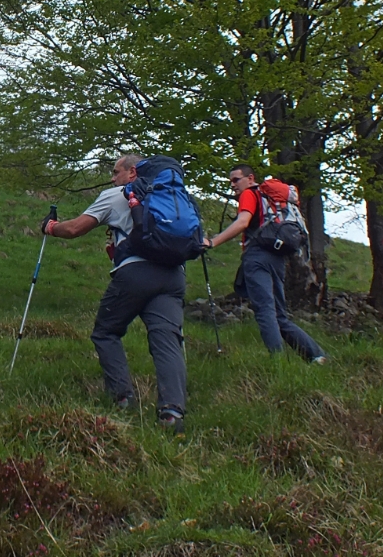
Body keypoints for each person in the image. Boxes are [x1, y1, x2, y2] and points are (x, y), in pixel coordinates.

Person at [42, 154, 187, 432]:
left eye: (115, 171)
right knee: (167, 341)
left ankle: (122, 398)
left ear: (132, 172)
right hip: (174, 274)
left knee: (106, 331)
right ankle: (172, 414)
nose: (112, 177)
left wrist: (50, 227)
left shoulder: (117, 195)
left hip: (136, 272)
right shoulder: (173, 198)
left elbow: (74, 229)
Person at [207, 164, 327, 364]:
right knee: (280, 315)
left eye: (236, 180)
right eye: (230, 181)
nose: (233, 185)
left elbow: (243, 222)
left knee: (265, 311)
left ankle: (277, 362)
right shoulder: (272, 200)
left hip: (257, 256)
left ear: (250, 178)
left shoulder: (250, 194)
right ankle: (316, 356)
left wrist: (213, 241)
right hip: (277, 258)